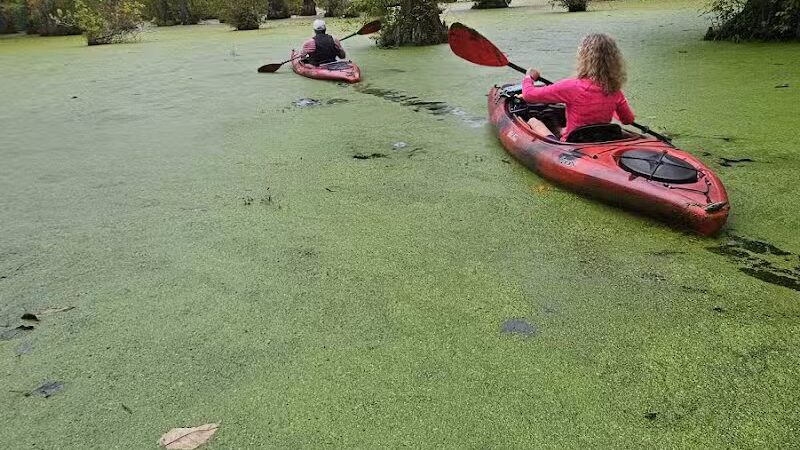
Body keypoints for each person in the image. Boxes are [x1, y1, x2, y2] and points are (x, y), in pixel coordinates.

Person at [520, 33, 635, 141]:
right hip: (602, 140)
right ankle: (561, 131)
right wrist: (609, 105)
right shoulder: (615, 90)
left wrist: (529, 77)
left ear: (583, 58)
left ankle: (554, 138)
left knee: (534, 121)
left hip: (573, 143)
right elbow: (628, 120)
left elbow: (528, 95)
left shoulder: (572, 86)